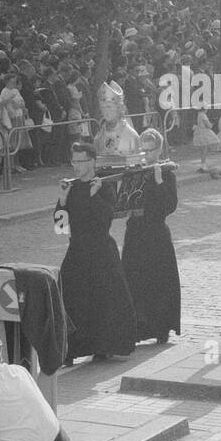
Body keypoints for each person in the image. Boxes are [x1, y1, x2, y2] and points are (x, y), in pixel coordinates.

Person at [55, 142, 137, 363]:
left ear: (93, 161)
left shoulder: (103, 185)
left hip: (101, 251)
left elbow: (106, 220)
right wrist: (62, 201)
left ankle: (104, 345)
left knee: (105, 299)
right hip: (77, 251)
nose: (77, 166)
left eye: (82, 161)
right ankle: (70, 350)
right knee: (71, 299)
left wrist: (94, 195)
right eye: (75, 161)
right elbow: (60, 228)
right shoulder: (70, 187)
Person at [120, 129, 181, 344]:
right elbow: (124, 202)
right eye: (143, 149)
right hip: (135, 233)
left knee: (159, 282)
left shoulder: (166, 173)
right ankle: (136, 327)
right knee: (133, 280)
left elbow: (169, 206)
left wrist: (158, 181)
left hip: (156, 235)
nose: (146, 154)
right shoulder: (135, 172)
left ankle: (161, 327)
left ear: (159, 149)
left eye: (151, 150)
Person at [192, 108, 218, 172]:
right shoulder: (203, 115)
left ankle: (203, 164)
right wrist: (211, 124)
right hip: (204, 132)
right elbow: (208, 125)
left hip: (200, 132)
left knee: (203, 149)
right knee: (205, 149)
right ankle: (203, 165)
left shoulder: (199, 114)